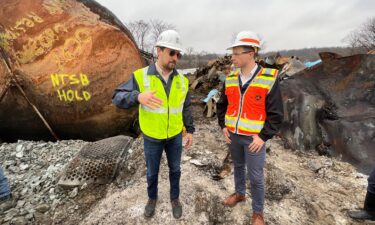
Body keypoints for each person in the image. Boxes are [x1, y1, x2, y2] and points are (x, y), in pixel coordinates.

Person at [112, 30, 194, 219]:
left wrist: (189, 130)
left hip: (174, 135)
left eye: (178, 54)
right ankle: (152, 198)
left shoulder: (182, 81)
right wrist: (138, 96)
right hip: (151, 136)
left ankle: (175, 199)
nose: (176, 58)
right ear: (158, 51)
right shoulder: (141, 77)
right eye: (171, 52)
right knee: (152, 172)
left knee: (175, 169)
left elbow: (186, 107)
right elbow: (117, 97)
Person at [216, 31, 284, 225]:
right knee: (237, 166)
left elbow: (277, 114)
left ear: (252, 53)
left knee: (255, 176)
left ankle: (258, 213)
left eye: (237, 53)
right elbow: (221, 105)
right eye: (232, 53)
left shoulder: (269, 78)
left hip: (254, 139)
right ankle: (239, 194)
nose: (233, 57)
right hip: (233, 136)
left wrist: (263, 137)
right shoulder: (230, 78)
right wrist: (223, 126)